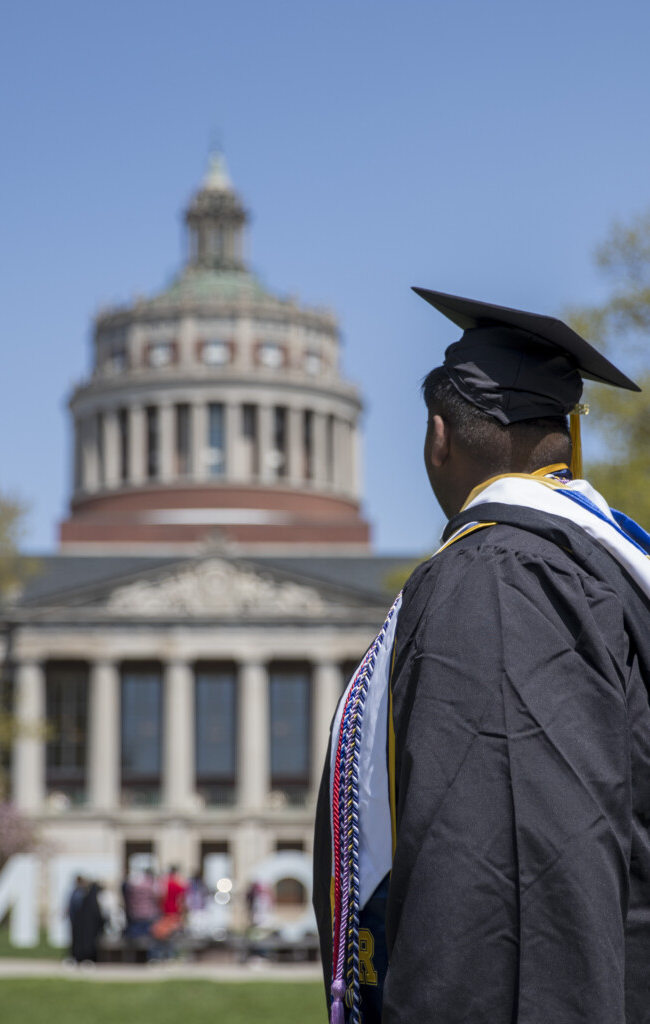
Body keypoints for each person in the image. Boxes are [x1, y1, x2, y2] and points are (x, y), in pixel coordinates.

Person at [313, 289, 650, 1024]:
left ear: (439, 435)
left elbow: (505, 887)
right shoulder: (596, 563)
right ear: (565, 434)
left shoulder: (502, 576)